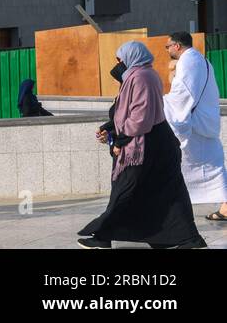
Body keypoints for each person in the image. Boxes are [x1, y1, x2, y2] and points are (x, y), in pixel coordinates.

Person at [78, 42, 207, 248]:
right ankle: (188, 239)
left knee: (126, 189)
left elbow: (140, 118)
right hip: (155, 142)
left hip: (148, 144)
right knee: (164, 193)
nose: (118, 64)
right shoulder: (141, 75)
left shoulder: (141, 77)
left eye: (120, 59)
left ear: (132, 57)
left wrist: (120, 139)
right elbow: (127, 112)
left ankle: (102, 236)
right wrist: (110, 129)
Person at [163, 31, 227, 220]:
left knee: (178, 165)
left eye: (168, 46)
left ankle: (172, 209)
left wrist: (160, 103)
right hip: (204, 123)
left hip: (194, 125)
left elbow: (183, 95)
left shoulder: (189, 61)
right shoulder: (200, 60)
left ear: (177, 46)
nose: (167, 50)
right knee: (214, 165)